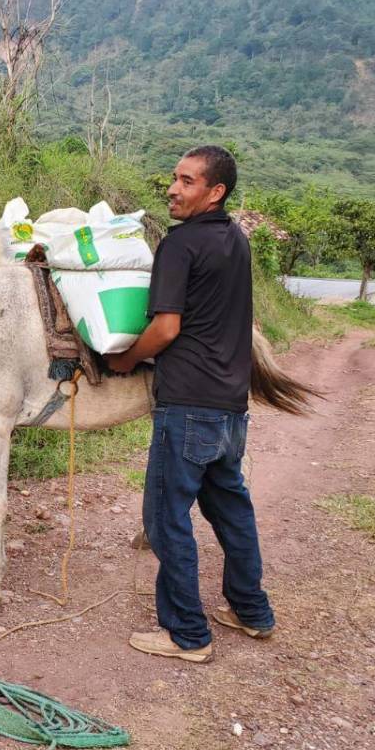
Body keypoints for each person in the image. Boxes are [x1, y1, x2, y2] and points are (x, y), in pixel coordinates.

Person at [108, 145, 275, 663]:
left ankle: (187, 633)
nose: (173, 189)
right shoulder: (236, 241)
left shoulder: (180, 246)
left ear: (215, 191)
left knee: (166, 518)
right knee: (231, 510)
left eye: (186, 181)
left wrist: (125, 360)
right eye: (174, 179)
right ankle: (252, 612)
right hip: (230, 406)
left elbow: (166, 327)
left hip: (187, 406)